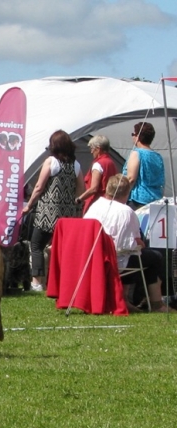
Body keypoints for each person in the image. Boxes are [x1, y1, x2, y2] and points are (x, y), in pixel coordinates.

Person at [84, 174, 172, 312]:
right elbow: (135, 243)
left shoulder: (94, 207)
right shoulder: (127, 211)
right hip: (115, 260)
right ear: (127, 193)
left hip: (92, 258)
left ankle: (127, 299)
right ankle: (155, 304)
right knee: (153, 256)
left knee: (134, 254)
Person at [22, 130, 85, 291]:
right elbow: (81, 190)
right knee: (64, 250)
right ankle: (64, 282)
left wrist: (28, 205)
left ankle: (37, 282)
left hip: (48, 213)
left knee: (36, 245)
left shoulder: (51, 161)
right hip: (67, 216)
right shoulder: (76, 165)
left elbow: (39, 187)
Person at [122, 122, 164, 210]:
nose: (132, 137)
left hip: (138, 201)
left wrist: (121, 196)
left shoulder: (137, 153)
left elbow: (131, 179)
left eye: (133, 134)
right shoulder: (158, 156)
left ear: (138, 137)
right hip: (155, 200)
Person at [77, 135, 118, 214]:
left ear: (98, 149)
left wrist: (79, 199)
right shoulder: (111, 162)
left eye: (92, 148)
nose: (91, 151)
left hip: (97, 203)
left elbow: (93, 189)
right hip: (109, 202)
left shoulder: (98, 165)